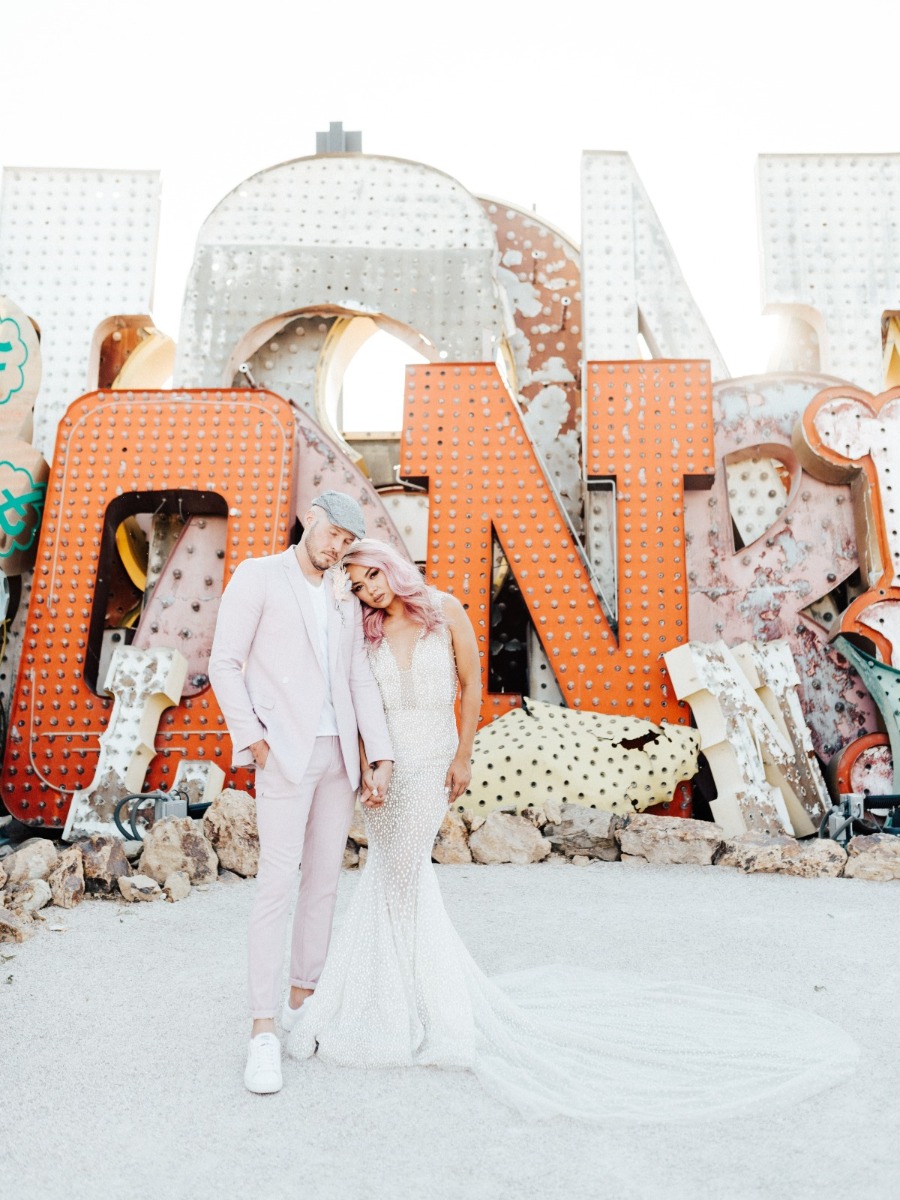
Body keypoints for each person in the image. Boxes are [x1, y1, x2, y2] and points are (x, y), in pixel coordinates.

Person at [285, 539, 859, 1123]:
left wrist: (463, 757)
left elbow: (470, 691)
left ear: (391, 564)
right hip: (387, 768)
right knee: (391, 877)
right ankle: (402, 1001)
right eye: (356, 585)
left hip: (432, 761)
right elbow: (357, 704)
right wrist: (367, 762)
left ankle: (405, 1005)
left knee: (402, 878)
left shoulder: (444, 609)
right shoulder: (366, 631)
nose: (368, 590)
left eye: (371, 575)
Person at [208, 493, 394, 1095]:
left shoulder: (342, 598)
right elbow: (224, 663)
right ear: (311, 517)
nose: (338, 546)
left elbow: (358, 675)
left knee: (323, 883)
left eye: (348, 541)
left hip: (339, 757)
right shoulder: (258, 575)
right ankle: (262, 1033)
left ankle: (299, 1005)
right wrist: (254, 742)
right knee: (275, 885)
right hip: (283, 755)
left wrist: (379, 752)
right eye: (333, 532)